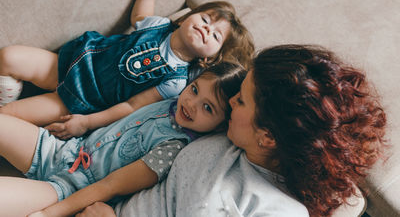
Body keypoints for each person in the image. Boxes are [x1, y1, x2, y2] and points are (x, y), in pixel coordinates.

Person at [77, 44, 386, 217]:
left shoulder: (274, 210)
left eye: (240, 99)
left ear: (268, 136)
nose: (231, 99)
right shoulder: (233, 138)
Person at [0, 0, 254, 140]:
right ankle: (6, 94)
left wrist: (86, 123)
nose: (206, 29)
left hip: (78, 98)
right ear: (189, 16)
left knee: (6, 118)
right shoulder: (160, 25)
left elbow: (132, 106)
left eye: (215, 35)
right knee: (8, 56)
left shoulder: (175, 81)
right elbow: (139, 15)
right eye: (206, 19)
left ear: (209, 57)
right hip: (72, 61)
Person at [0, 62, 246, 217]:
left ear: (220, 126)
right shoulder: (171, 97)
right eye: (194, 90)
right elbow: (129, 106)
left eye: (208, 108)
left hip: (70, 190)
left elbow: (110, 187)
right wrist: (85, 122)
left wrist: (49, 213)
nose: (192, 104)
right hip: (64, 150)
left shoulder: (173, 148)